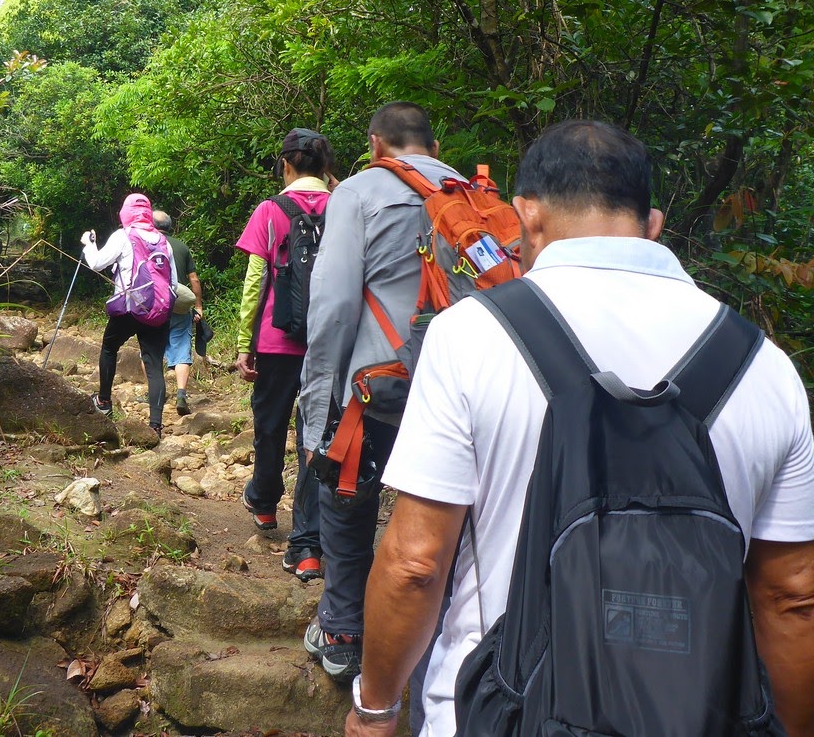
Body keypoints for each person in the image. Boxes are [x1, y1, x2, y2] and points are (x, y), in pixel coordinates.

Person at [345, 121, 814, 736]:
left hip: (500, 713)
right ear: (653, 225)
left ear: (526, 216)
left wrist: (375, 709)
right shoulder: (764, 366)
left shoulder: (470, 336)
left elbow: (415, 562)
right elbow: (792, 598)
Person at [298, 102, 465, 692]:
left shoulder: (358, 192)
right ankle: (439, 639)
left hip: (378, 385)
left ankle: (343, 633)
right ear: (434, 146)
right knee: (448, 517)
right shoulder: (472, 194)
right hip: (460, 387)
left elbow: (335, 304)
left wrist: (317, 404)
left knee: (347, 499)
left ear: (374, 145)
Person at [236, 127, 334, 582]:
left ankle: (263, 502)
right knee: (317, 438)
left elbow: (255, 283)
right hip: (328, 343)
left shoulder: (270, 210)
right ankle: (309, 546)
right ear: (325, 166)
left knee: (270, 426)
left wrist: (245, 343)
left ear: (286, 164)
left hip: (276, 341)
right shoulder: (344, 207)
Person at [82, 193, 176, 440]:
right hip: (158, 311)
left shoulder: (123, 235)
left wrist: (88, 244)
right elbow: (173, 283)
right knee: (154, 365)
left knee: (109, 347)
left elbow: (96, 263)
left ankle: (104, 401)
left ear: (126, 212)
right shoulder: (163, 241)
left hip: (129, 308)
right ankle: (155, 426)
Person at [153, 209, 204, 415]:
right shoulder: (181, 247)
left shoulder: (147, 244)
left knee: (150, 349)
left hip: (155, 306)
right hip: (180, 305)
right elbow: (194, 280)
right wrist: (198, 306)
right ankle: (181, 394)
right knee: (182, 349)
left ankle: (154, 394)